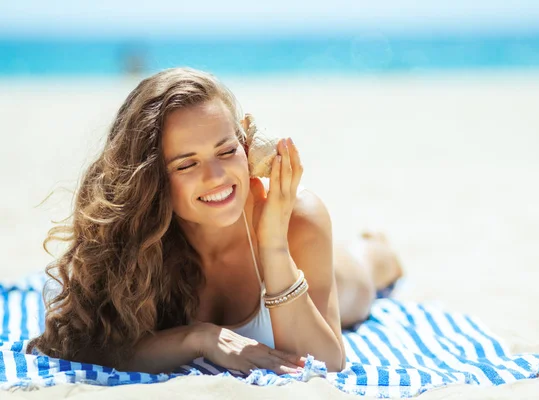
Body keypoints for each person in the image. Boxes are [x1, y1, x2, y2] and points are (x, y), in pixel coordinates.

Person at [26, 67, 403, 375]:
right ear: (149, 177)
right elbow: (91, 346)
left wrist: (272, 242)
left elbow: (327, 363)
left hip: (328, 269)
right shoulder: (133, 237)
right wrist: (201, 338)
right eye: (186, 163)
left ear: (245, 146)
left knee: (363, 278)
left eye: (226, 150)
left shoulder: (297, 218)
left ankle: (375, 248)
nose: (217, 176)